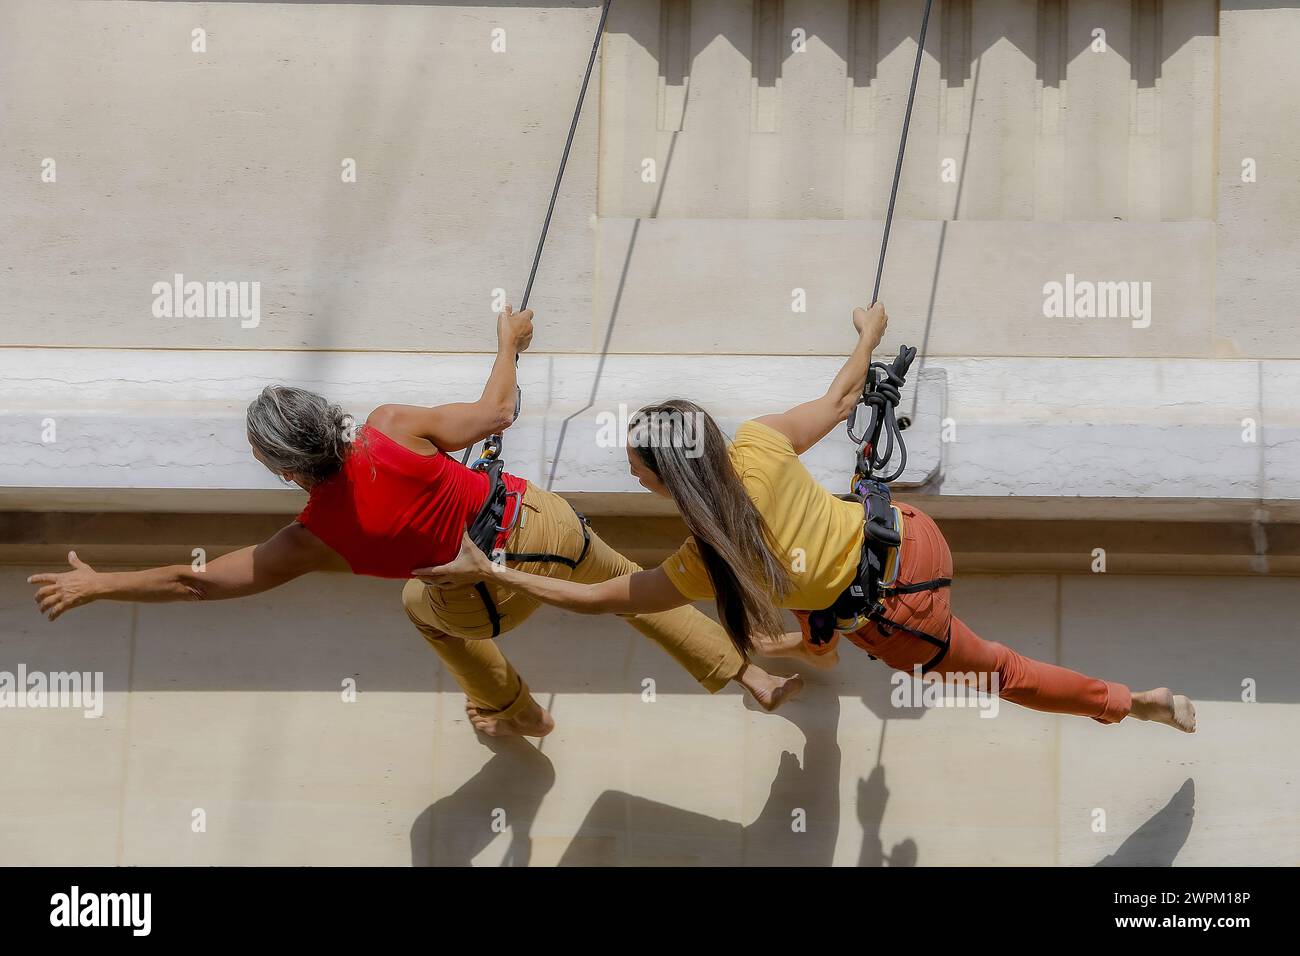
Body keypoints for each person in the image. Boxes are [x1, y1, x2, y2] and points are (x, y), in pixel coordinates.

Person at [27, 306, 801, 739]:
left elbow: (198, 583)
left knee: (420, 611)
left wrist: (101, 583)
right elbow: (499, 409)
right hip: (540, 525)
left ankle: (517, 713)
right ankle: (752, 674)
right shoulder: (393, 425)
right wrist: (508, 346)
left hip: (482, 593)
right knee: (635, 587)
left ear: (288, 468)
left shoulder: (311, 535)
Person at [419, 303, 1196, 734]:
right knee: (816, 599)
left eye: (636, 469)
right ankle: (804, 644)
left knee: (1004, 671)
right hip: (909, 537)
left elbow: (596, 598)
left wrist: (493, 572)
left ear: (666, 482)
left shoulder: (702, 562)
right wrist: (868, 333)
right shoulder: (757, 443)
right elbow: (839, 400)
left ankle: (1135, 702)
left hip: (899, 613)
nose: (630, 472)